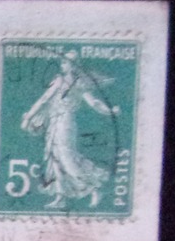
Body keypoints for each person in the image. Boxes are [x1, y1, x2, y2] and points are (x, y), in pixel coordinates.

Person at [20, 51, 118, 208]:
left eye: (66, 62)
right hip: (55, 122)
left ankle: (94, 189)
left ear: (73, 65)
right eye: (63, 62)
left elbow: (94, 103)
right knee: (55, 158)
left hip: (65, 123)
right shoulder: (64, 81)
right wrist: (29, 116)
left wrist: (110, 111)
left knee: (67, 158)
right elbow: (44, 100)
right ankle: (60, 197)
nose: (63, 65)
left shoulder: (77, 83)